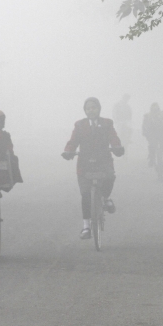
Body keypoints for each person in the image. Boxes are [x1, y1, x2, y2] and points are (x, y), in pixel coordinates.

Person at [62, 97, 124, 240]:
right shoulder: (79, 125)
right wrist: (68, 151)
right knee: (85, 195)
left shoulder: (107, 123)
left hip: (104, 160)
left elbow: (114, 138)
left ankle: (106, 198)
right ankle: (86, 227)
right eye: (88, 108)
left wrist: (117, 147)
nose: (91, 110)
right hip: (85, 163)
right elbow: (73, 141)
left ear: (99, 109)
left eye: (93, 107)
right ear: (85, 110)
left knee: (110, 177)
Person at [142, 102, 163, 169]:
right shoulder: (148, 115)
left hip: (159, 134)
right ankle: (154, 160)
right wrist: (145, 132)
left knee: (162, 147)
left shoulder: (162, 114)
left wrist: (145, 133)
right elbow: (144, 126)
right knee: (155, 147)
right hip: (155, 134)